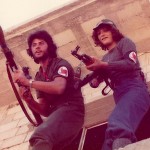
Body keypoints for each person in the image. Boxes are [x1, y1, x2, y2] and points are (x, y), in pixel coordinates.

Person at [13, 30, 85, 150]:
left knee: (39, 136)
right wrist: (29, 100)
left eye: (41, 43)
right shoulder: (38, 76)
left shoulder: (60, 64)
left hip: (72, 111)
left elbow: (58, 87)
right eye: (34, 45)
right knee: (36, 144)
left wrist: (28, 82)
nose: (37, 47)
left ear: (49, 47)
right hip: (56, 117)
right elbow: (45, 110)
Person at [86, 19, 150, 150]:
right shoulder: (104, 58)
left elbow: (131, 63)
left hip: (134, 88)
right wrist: (94, 78)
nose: (102, 34)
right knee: (110, 136)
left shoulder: (124, 43)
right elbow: (96, 82)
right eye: (99, 33)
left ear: (113, 31)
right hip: (119, 94)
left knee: (118, 123)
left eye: (105, 31)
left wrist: (103, 65)